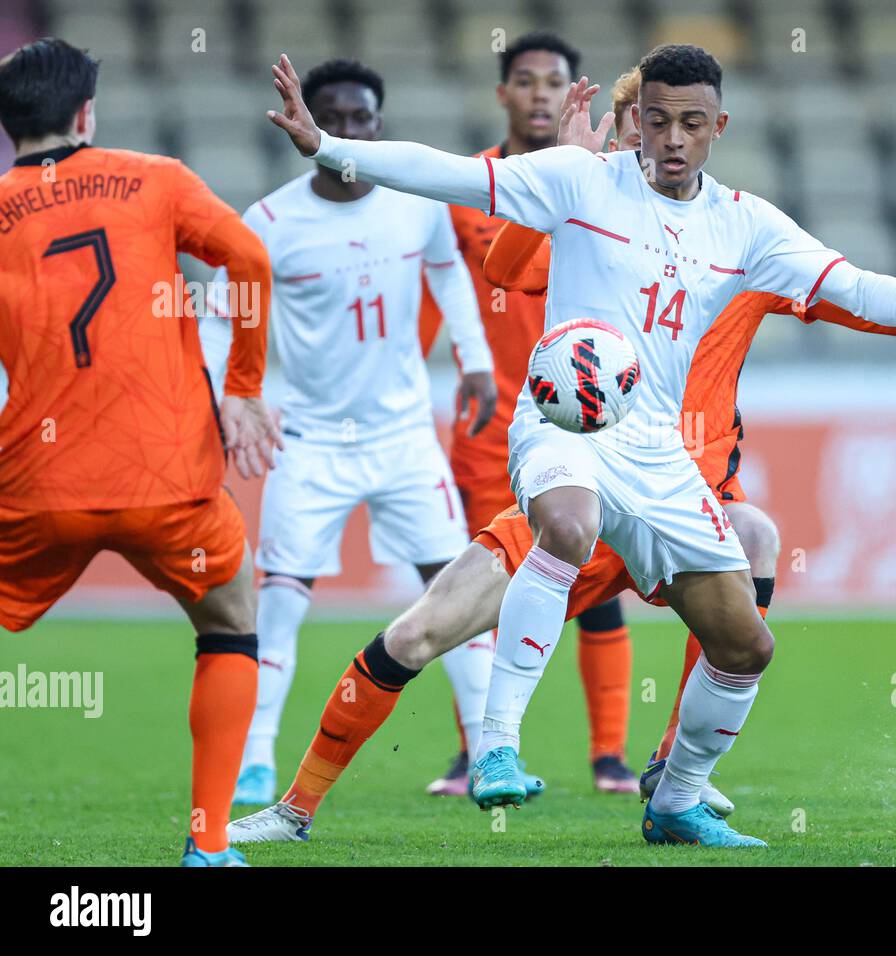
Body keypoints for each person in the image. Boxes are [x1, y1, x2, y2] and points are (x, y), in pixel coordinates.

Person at [263, 43, 896, 847]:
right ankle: (456, 759)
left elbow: (852, 285)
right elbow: (448, 174)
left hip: (659, 458)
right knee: (477, 589)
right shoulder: (582, 179)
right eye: (656, 120)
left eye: (691, 124)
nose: (672, 138)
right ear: (634, 122)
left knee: (746, 643)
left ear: (717, 127)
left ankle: (677, 798)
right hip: (567, 434)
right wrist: (329, 147)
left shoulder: (746, 227)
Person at [0, 37, 281, 866]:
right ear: (87, 112)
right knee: (231, 618)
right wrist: (245, 385)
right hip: (170, 480)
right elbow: (249, 258)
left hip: (36, 484)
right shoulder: (155, 178)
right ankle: (209, 844)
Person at [199, 58, 501, 807]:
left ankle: (494, 752)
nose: (349, 130)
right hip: (311, 439)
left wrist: (475, 359)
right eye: (334, 116)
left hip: (403, 436)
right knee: (281, 599)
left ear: (378, 124)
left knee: (450, 588)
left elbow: (449, 272)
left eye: (363, 118)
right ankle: (257, 759)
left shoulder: (415, 203)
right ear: (311, 124)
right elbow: (216, 316)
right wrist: (231, 399)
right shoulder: (268, 224)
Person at [419, 32, 641, 796]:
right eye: (527, 81)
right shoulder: (472, 191)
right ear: (503, 95)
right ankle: (475, 749)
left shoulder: (609, 188)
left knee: (597, 579)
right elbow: (439, 298)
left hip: (593, 427)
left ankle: (609, 756)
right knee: (484, 584)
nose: (542, 94)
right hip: (491, 431)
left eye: (556, 82)